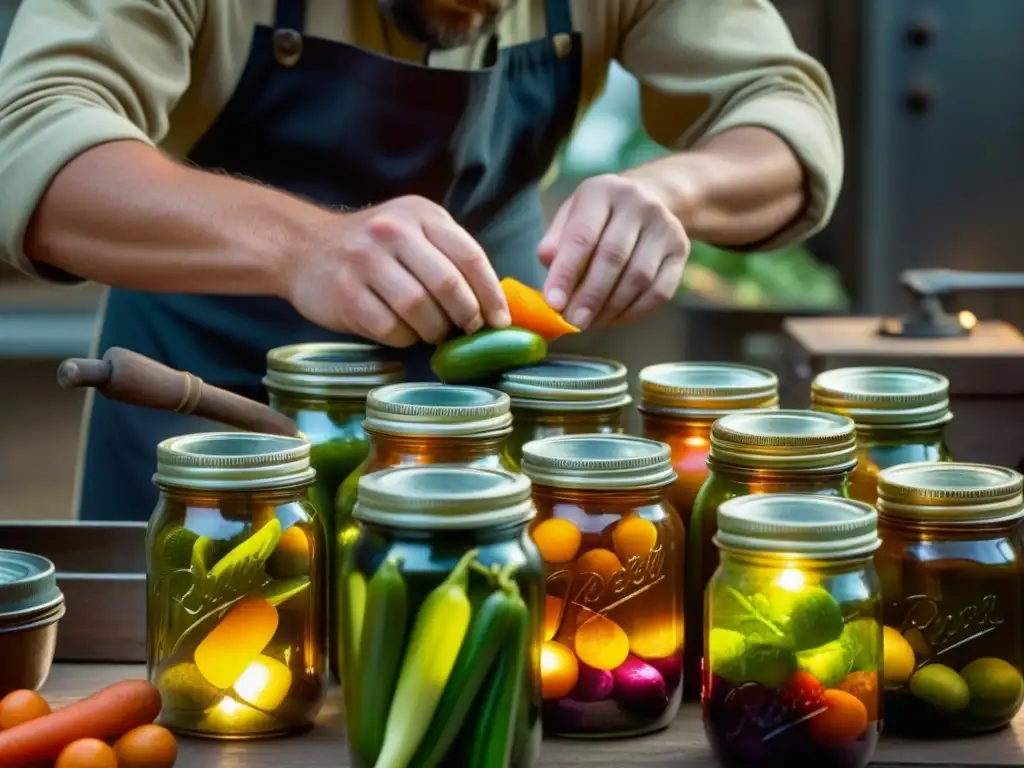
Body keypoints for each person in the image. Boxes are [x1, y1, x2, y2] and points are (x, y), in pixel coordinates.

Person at [0, 0, 842, 522]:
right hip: (199, 400)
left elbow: (782, 113)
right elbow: (29, 141)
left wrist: (679, 189)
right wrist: (302, 245)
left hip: (478, 403)